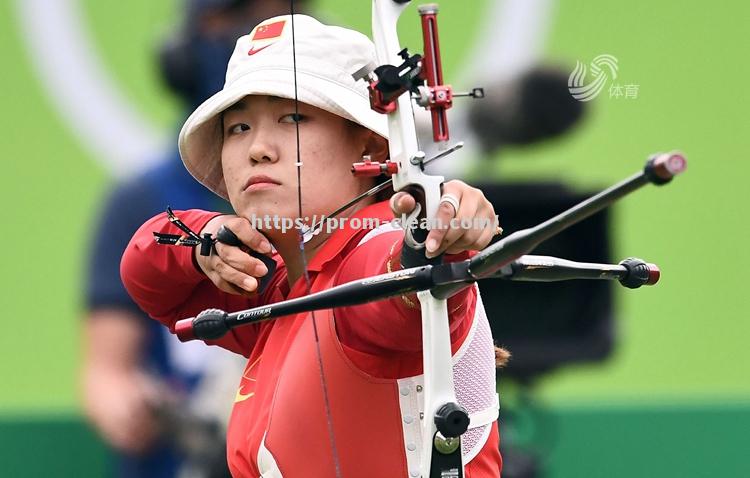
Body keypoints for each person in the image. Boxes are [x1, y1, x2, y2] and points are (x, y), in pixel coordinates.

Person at [121, 14, 505, 477]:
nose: (258, 148)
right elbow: (145, 274)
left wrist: (437, 241)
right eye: (239, 128)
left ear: (369, 149)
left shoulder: (368, 255)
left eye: (293, 118)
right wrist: (202, 242)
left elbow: (395, 282)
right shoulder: (278, 283)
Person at [81, 2, 307, 477]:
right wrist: (128, 404)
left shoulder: (334, 210)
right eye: (239, 127)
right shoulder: (138, 201)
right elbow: (106, 371)